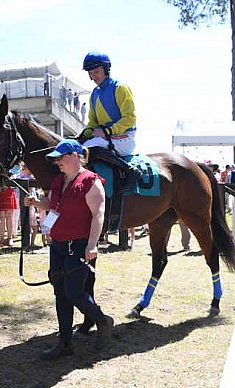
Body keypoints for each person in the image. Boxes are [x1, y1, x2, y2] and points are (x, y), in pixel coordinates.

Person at [25, 139, 114, 360]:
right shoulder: (58, 181)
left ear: (75, 156)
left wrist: (93, 244)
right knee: (60, 292)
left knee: (74, 292)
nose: (57, 162)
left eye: (61, 158)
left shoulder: (91, 182)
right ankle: (65, 342)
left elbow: (98, 215)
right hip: (58, 245)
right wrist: (36, 203)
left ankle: (102, 320)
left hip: (80, 245)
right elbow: (53, 206)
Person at [79, 51, 140, 191]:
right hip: (106, 137)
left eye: (96, 72)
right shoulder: (94, 93)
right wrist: (85, 133)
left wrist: (108, 131)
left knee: (90, 147)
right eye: (90, 73)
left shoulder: (120, 88)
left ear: (106, 70)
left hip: (125, 137)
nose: (93, 76)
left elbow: (130, 118)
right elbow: (93, 122)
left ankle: (130, 171)